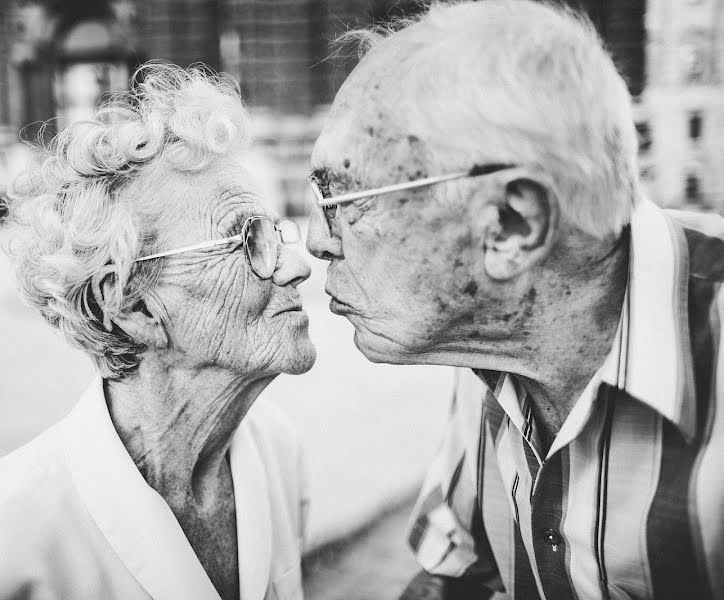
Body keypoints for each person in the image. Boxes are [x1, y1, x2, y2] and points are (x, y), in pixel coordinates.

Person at [306, 1, 724, 598]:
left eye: (345, 199)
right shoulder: (496, 339)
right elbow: (454, 580)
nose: (318, 242)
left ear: (510, 225)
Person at [0, 64, 315, 600]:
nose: (298, 265)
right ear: (130, 304)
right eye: (249, 240)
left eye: (279, 231)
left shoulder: (277, 452)